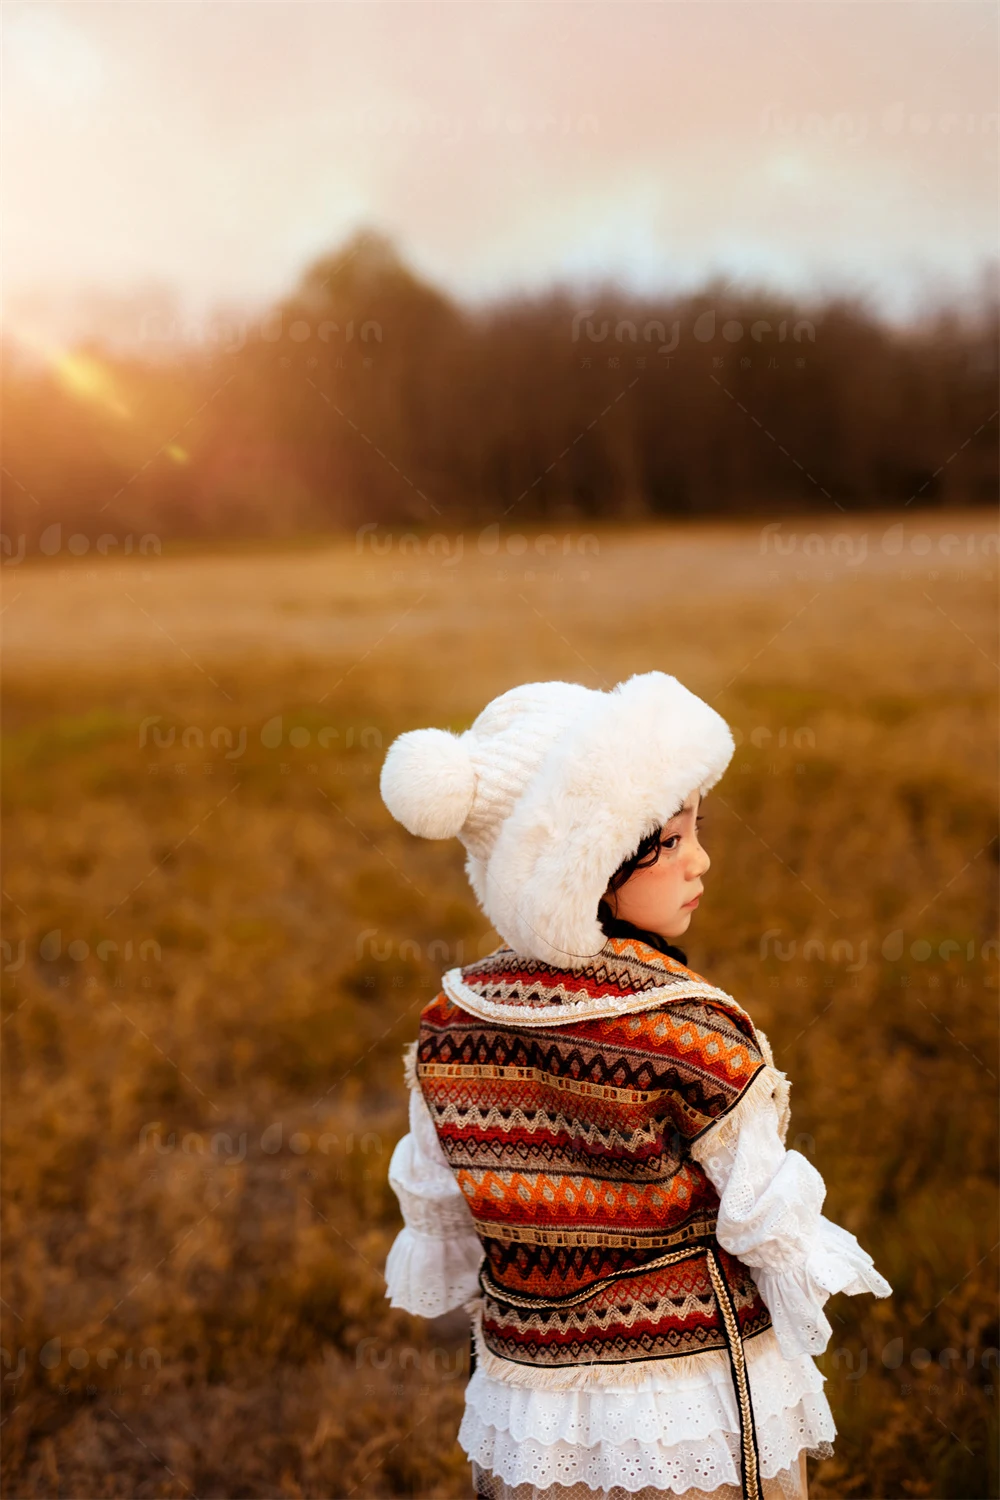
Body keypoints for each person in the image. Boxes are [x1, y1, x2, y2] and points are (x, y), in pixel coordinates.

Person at [379, 671, 891, 1500]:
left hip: (532, 1404)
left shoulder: (449, 1025)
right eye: (674, 837)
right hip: (693, 1406)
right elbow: (765, 1222)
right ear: (589, 856)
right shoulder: (687, 1029)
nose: (702, 860)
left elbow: (450, 1215)